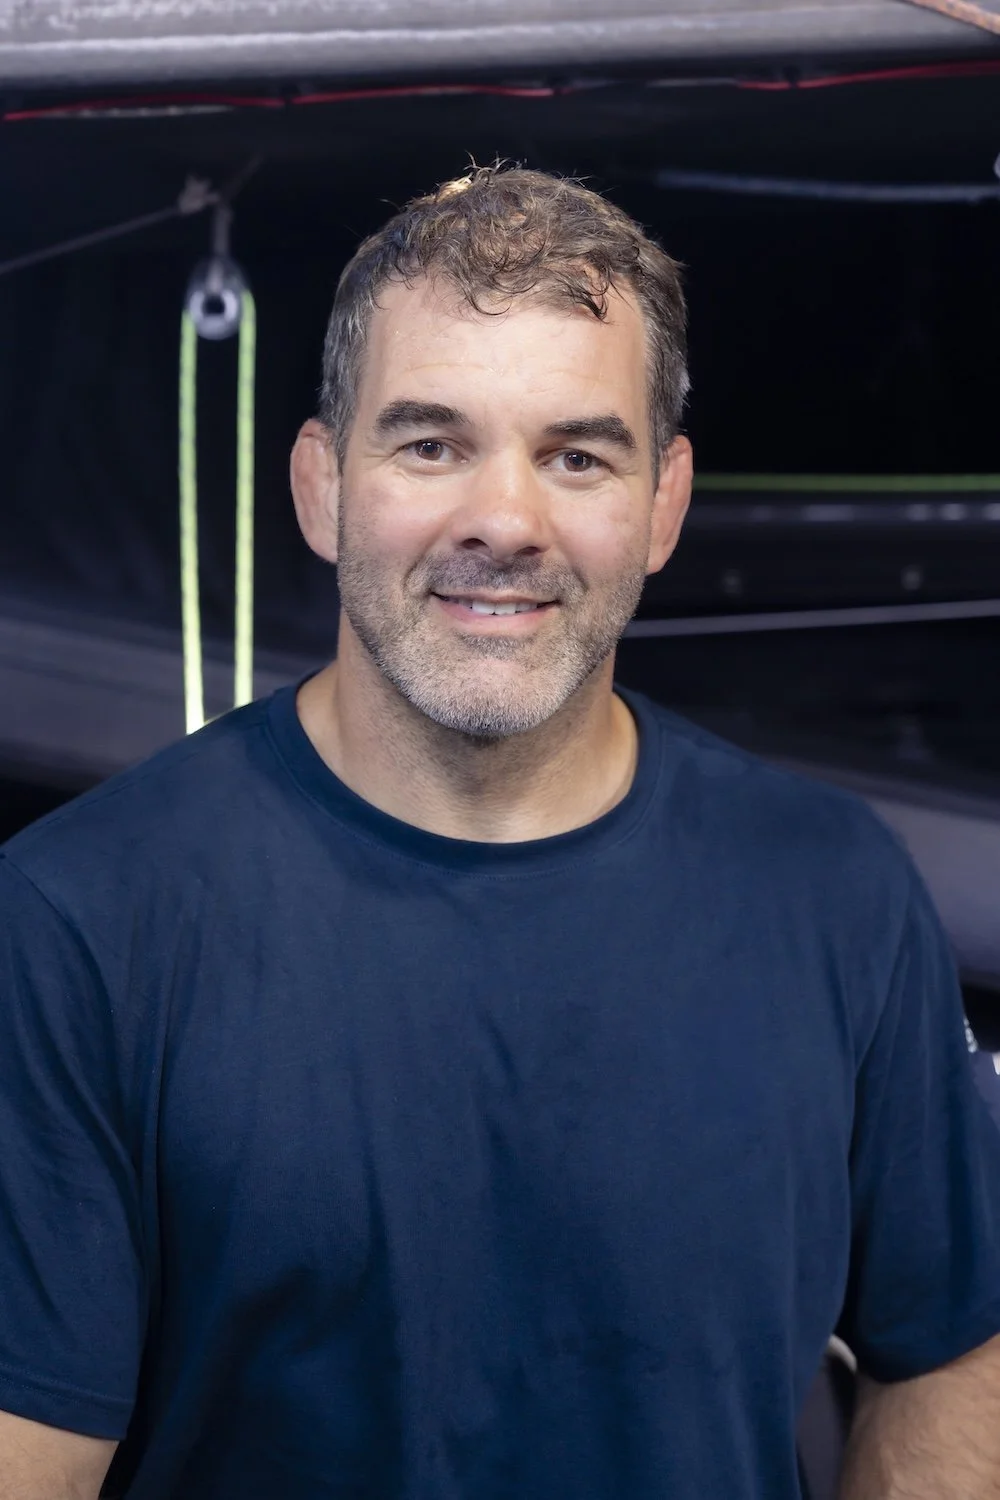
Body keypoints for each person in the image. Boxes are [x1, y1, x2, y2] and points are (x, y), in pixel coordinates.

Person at [2, 165, 1000, 1500]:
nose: (504, 521)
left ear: (663, 505)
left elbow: (946, 1350)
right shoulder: (78, 921)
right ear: (319, 485)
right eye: (431, 444)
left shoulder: (833, 892)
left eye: (576, 455)